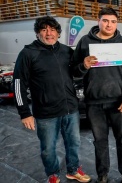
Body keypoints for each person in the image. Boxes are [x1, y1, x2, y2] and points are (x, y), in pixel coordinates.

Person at [12, 16, 91, 183]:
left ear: (58, 32)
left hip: (70, 109)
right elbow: (18, 84)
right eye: (44, 29)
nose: (49, 33)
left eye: (53, 29)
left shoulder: (66, 51)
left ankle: (73, 169)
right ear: (37, 33)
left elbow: (76, 74)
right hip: (46, 113)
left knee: (74, 144)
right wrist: (25, 113)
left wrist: (84, 66)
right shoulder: (27, 53)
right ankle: (53, 175)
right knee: (48, 149)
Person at [72, 7, 122, 183]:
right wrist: (83, 66)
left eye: (113, 21)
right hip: (94, 103)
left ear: (117, 23)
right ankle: (102, 175)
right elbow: (73, 71)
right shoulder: (85, 42)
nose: (109, 25)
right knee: (99, 141)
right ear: (98, 20)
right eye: (106, 20)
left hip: (119, 102)